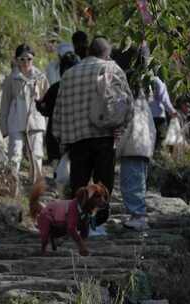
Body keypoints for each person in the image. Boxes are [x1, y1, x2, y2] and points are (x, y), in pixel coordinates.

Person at [52, 37, 133, 226]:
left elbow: (59, 108)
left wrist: (60, 137)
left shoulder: (69, 74)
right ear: (106, 54)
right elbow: (128, 104)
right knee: (103, 184)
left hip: (76, 137)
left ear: (88, 52)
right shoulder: (112, 69)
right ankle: (99, 223)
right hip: (104, 136)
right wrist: (122, 128)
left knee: (79, 183)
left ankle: (79, 221)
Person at [0, 44, 50, 184]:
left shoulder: (40, 77)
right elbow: (5, 103)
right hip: (16, 121)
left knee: (36, 154)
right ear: (16, 60)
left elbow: (48, 101)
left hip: (35, 121)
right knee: (14, 154)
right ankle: (12, 184)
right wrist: (4, 127)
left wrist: (46, 122)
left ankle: (36, 185)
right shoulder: (12, 79)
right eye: (22, 59)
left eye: (29, 59)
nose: (26, 63)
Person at [116, 91, 156, 231]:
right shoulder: (145, 106)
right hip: (143, 149)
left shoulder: (129, 103)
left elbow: (125, 129)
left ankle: (138, 217)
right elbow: (153, 131)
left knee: (130, 184)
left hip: (132, 149)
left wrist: (116, 150)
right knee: (139, 183)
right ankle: (137, 216)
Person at [37, 52, 81, 174]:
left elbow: (45, 110)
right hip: (76, 139)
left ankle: (61, 191)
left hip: (55, 139)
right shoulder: (83, 89)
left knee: (60, 174)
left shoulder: (56, 88)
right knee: (75, 174)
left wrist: (39, 104)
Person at [150, 76, 178, 151]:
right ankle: (157, 158)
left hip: (146, 115)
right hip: (158, 116)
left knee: (149, 139)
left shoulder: (143, 78)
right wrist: (172, 111)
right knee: (160, 139)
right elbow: (164, 99)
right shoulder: (158, 80)